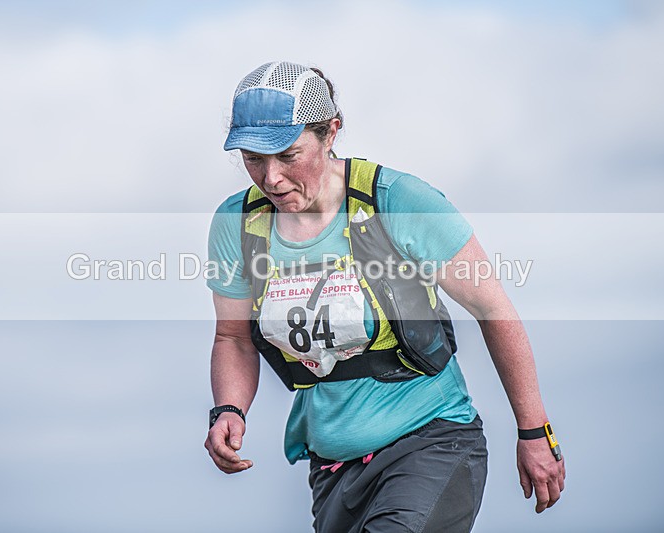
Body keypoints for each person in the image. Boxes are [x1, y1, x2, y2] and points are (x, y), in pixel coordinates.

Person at [204, 61, 565, 532]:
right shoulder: (237, 223)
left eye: (288, 155)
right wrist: (229, 409)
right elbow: (233, 339)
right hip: (333, 468)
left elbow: (492, 309)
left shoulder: (398, 200)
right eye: (254, 158)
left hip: (431, 444)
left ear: (331, 132)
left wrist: (535, 432)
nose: (270, 178)